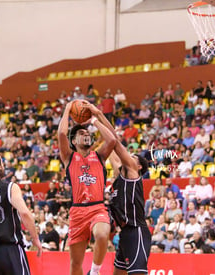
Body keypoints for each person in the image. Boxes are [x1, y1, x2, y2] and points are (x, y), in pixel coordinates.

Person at [58, 100, 116, 275]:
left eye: (87, 133)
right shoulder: (69, 157)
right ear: (74, 141)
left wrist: (95, 118)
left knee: (102, 234)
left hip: (97, 207)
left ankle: (95, 271)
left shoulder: (99, 156)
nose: (85, 134)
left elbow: (112, 138)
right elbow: (61, 134)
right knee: (75, 265)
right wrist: (68, 108)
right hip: (77, 212)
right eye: (81, 133)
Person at [99, 108, 151, 274]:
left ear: (139, 166)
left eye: (132, 157)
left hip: (137, 232)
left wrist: (97, 117)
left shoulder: (133, 174)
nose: (128, 156)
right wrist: (99, 119)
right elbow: (111, 142)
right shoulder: (118, 173)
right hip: (124, 234)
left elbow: (115, 142)